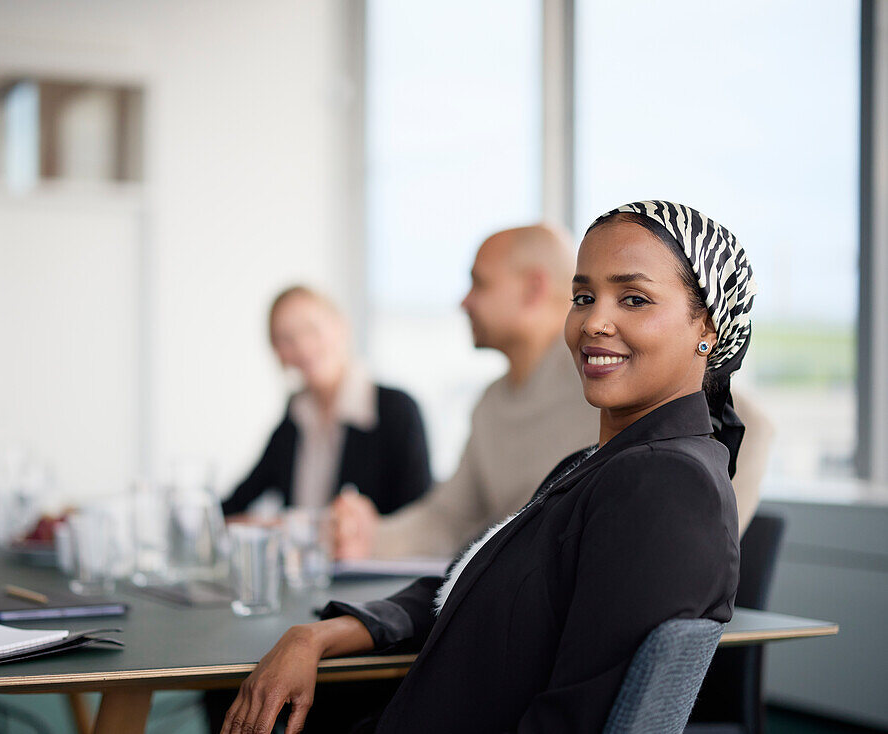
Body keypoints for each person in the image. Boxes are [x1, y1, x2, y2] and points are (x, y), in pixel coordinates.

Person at [220, 200, 754, 734]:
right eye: (584, 297)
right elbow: (475, 581)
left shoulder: (665, 486)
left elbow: (576, 722)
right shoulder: (594, 465)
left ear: (706, 325)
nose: (594, 321)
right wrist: (317, 635)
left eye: (634, 299)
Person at [332, 227, 772, 560]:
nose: (464, 302)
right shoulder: (491, 403)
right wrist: (370, 535)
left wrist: (700, 550)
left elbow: (750, 425)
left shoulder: (611, 376)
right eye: (583, 298)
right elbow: (450, 518)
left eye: (479, 284)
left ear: (534, 289)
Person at [221, 286, 431, 518]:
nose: (302, 346)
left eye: (311, 330)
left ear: (341, 327)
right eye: (285, 338)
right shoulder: (295, 418)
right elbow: (235, 503)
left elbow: (418, 519)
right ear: (276, 353)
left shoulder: (396, 412)